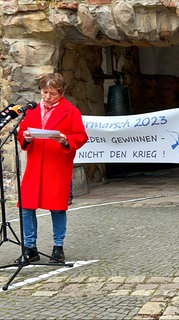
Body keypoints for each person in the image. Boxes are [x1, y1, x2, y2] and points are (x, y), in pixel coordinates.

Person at [15, 72, 88, 263]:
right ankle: (30, 248)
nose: (47, 97)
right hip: (35, 164)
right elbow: (22, 131)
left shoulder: (71, 111)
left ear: (61, 93)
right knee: (26, 206)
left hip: (57, 166)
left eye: (52, 93)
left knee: (57, 208)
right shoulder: (31, 110)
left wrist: (65, 139)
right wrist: (25, 137)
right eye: (44, 92)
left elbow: (81, 136)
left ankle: (58, 248)